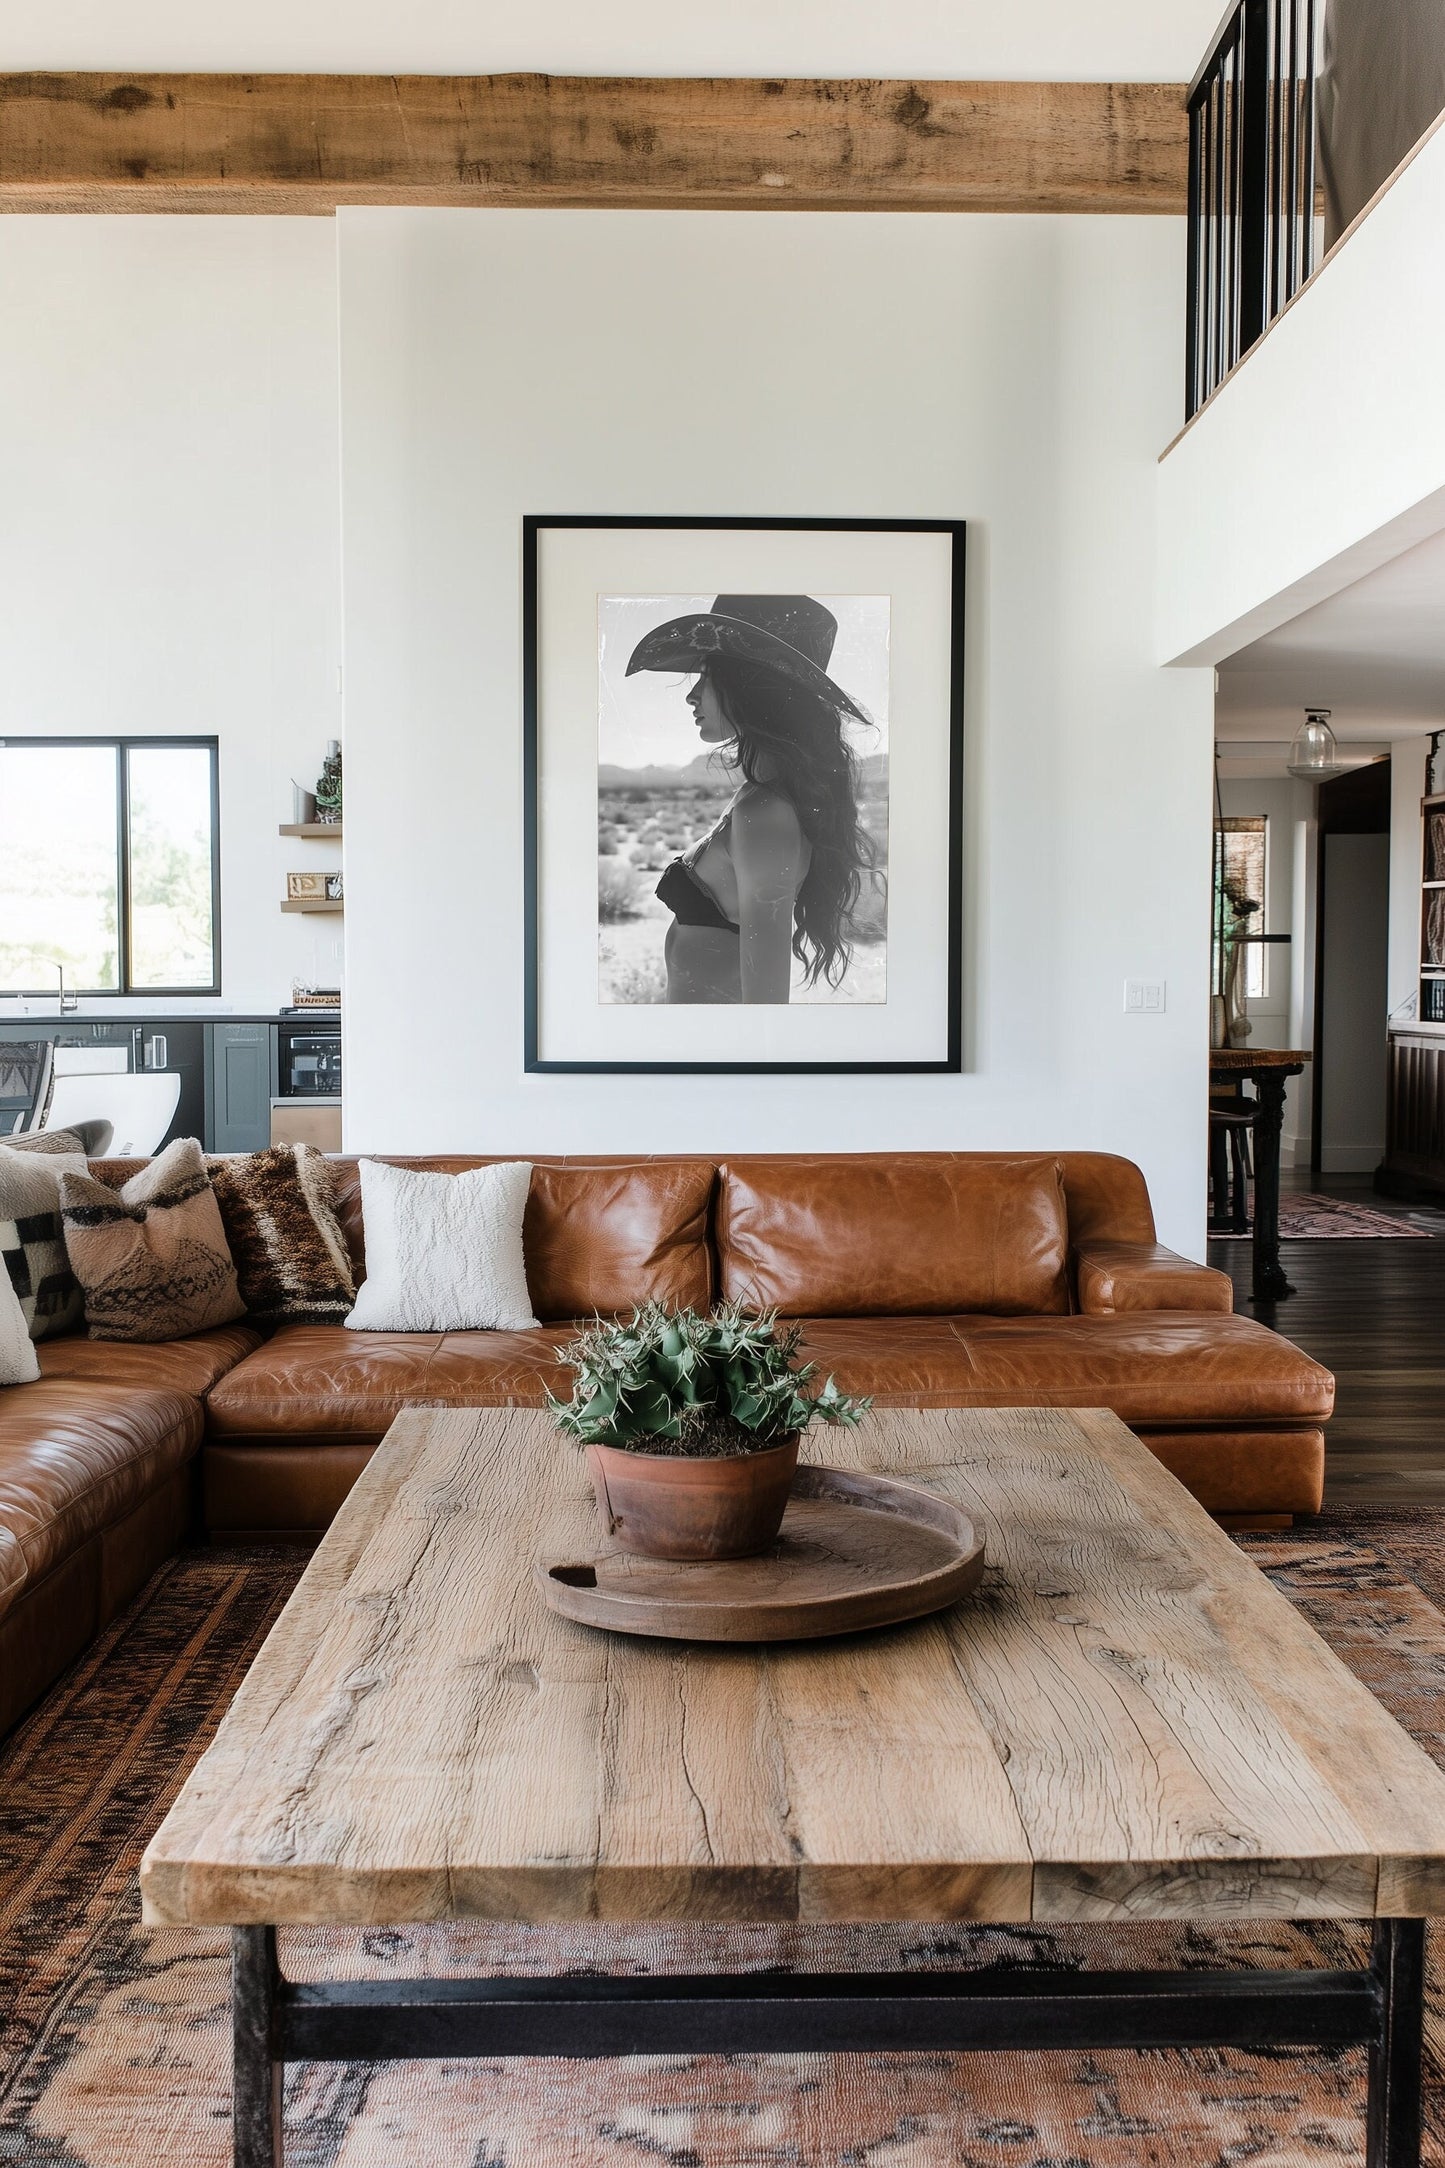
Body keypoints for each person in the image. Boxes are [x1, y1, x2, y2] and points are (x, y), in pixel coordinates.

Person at [626, 595, 878, 1005]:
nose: (693, 695)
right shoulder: (759, 799)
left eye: (708, 675)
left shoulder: (766, 813)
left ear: (750, 686)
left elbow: (767, 999)